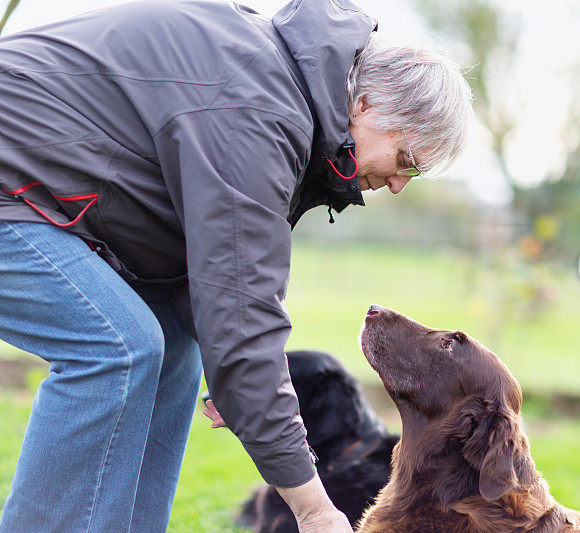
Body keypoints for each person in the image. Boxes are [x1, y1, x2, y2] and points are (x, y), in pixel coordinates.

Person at [0, 0, 472, 531]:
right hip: (11, 186)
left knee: (176, 346)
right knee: (119, 346)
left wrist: (235, 375)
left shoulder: (282, 93)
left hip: (38, 197)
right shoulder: (259, 113)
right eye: (406, 160)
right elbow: (244, 320)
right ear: (364, 106)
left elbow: (217, 283)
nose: (399, 185)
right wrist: (314, 509)